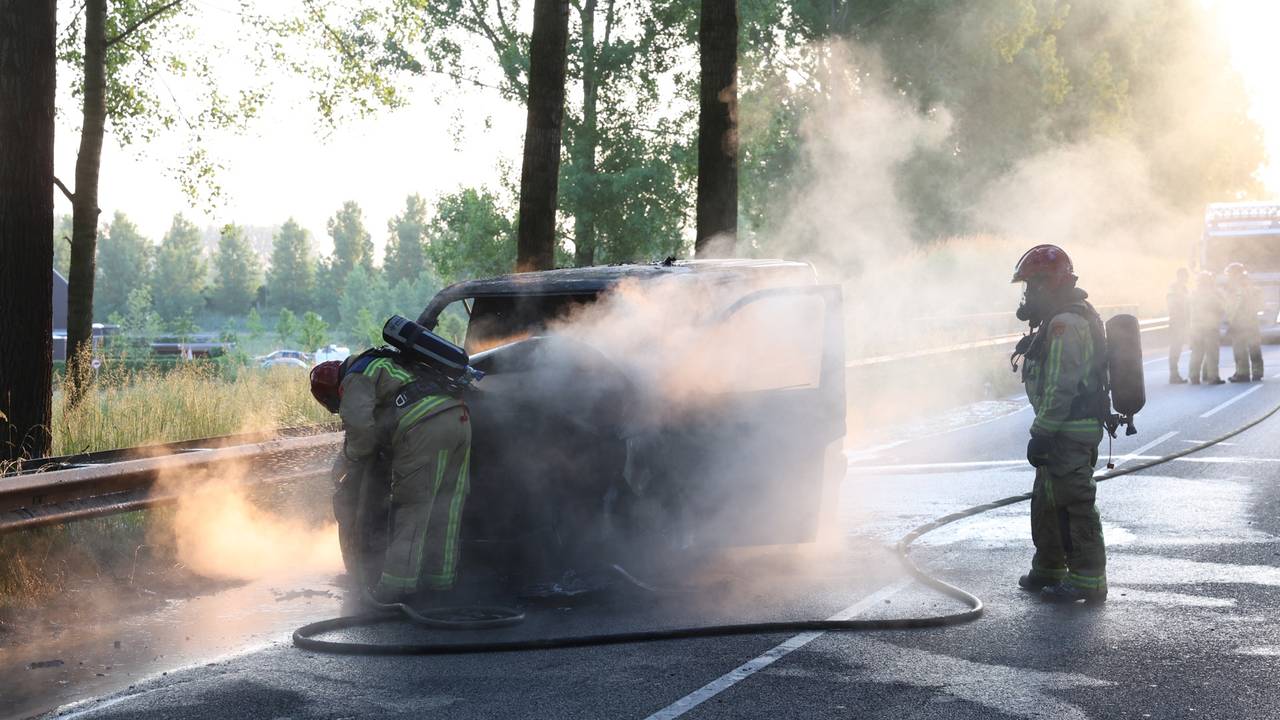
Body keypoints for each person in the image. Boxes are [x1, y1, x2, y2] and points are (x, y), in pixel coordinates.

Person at [310, 344, 471, 604]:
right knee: (447, 506)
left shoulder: (355, 377)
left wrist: (348, 459)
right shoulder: (384, 361)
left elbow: (360, 430)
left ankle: (396, 589)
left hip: (423, 425)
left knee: (413, 509)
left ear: (334, 390)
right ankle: (440, 584)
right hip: (458, 417)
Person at [1010, 244, 1108, 604]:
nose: (1027, 295)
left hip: (1069, 429)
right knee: (1047, 501)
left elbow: (1060, 385)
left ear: (1047, 283)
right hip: (1060, 429)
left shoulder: (1065, 324)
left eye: (1031, 286)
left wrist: (1042, 431)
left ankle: (1088, 578)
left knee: (1074, 502)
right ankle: (1049, 567)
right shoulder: (1057, 320)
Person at [1224, 262, 1264, 382]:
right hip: (1252, 321)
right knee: (1254, 347)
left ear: (1234, 273)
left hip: (1240, 323)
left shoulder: (1237, 286)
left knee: (1239, 349)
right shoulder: (1250, 284)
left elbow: (1236, 305)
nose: (1229, 276)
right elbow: (1259, 304)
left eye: (1230, 273)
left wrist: (1232, 322)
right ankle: (1257, 373)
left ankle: (1242, 373)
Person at [1188, 272, 1226, 385]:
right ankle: (1212, 377)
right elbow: (1221, 307)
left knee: (1196, 353)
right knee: (1212, 354)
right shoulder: (1213, 295)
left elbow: (1186, 311)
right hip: (1210, 328)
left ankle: (1193, 377)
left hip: (1196, 328)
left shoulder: (1193, 294)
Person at [1166, 268, 1190, 384]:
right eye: (1184, 276)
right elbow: (1173, 305)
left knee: (1178, 348)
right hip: (1176, 322)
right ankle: (1174, 375)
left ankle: (1175, 374)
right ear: (1179, 276)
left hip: (1182, 322)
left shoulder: (1184, 289)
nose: (1186, 278)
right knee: (1175, 349)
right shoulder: (1174, 289)